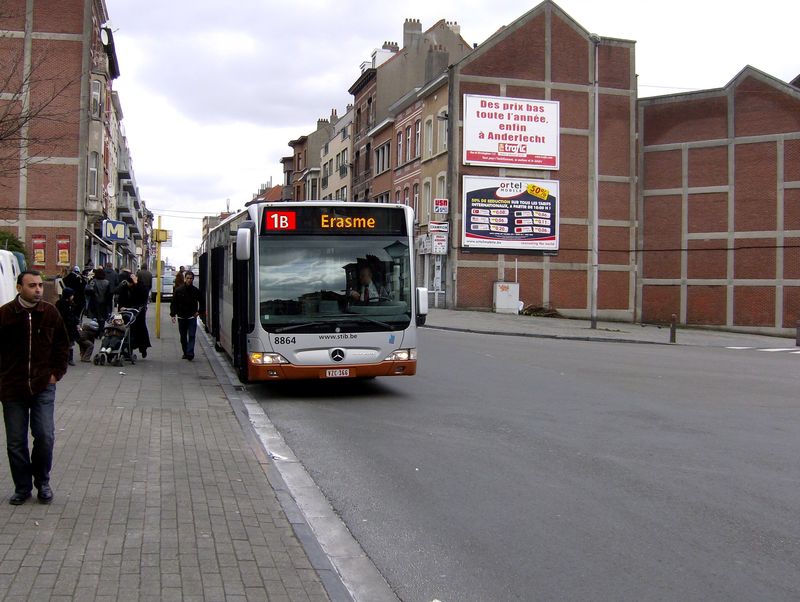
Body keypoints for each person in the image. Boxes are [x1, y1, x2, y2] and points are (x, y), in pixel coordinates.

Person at [0, 270, 70, 505]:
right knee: (16, 441)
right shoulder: (5, 315)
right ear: (19, 288)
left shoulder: (50, 313)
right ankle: (22, 487)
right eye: (32, 286)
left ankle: (43, 482)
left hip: (43, 386)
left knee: (45, 435)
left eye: (40, 285)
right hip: (12, 388)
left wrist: (55, 374)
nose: (38, 290)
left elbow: (62, 344)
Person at [170, 271, 203, 361]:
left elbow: (202, 301)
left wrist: (199, 312)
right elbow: (174, 303)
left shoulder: (195, 291)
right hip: (181, 317)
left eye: (191, 278)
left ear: (193, 279)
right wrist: (173, 314)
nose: (189, 280)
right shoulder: (179, 290)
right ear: (185, 278)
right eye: (187, 278)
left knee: (192, 335)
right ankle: (185, 352)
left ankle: (190, 353)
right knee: (183, 337)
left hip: (192, 317)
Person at [117, 272, 151, 358]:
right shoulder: (124, 287)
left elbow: (144, 295)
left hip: (138, 312)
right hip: (127, 312)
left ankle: (143, 348)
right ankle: (129, 350)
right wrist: (121, 308)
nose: (129, 285)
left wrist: (136, 284)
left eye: (131, 283)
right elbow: (120, 297)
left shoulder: (140, 286)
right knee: (128, 331)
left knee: (141, 330)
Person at [55, 287, 80, 366]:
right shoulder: (63, 304)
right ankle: (68, 359)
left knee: (69, 343)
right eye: (72, 295)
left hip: (68, 327)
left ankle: (68, 358)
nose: (73, 296)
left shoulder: (69, 303)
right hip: (66, 327)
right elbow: (67, 315)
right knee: (68, 343)